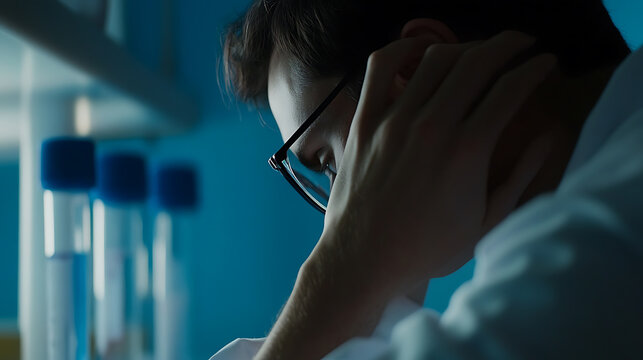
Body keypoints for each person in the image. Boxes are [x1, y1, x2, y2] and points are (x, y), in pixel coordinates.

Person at [212, 0, 643, 358]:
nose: (336, 212)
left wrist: (341, 271)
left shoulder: (607, 236)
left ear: (418, 67)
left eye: (327, 162)